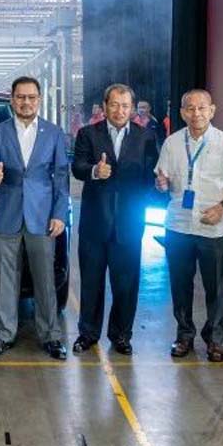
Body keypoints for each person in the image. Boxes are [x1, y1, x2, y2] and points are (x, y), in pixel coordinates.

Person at [0, 76, 70, 360]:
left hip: (42, 217)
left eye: (31, 97)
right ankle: (3, 335)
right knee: (7, 280)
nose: (26, 102)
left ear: (39, 100)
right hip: (8, 214)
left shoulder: (54, 133)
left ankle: (51, 336)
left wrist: (59, 214)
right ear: (12, 100)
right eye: (20, 97)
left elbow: (61, 177)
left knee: (45, 279)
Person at [155, 89, 223, 362]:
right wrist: (161, 184)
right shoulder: (171, 143)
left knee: (215, 288)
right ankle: (184, 335)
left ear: (212, 110)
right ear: (182, 113)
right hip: (179, 226)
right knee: (180, 285)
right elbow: (162, 179)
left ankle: (214, 339)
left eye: (202, 108)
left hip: (213, 228)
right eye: (190, 109)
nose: (196, 114)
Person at [71, 84, 160, 355]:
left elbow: (151, 175)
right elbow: (77, 167)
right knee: (91, 283)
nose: (120, 110)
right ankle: (87, 334)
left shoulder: (146, 137)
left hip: (129, 223)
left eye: (125, 106)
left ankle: (121, 335)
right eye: (114, 105)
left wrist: (158, 185)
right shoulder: (88, 134)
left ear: (132, 109)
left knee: (126, 284)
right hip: (94, 224)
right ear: (104, 106)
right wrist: (94, 171)